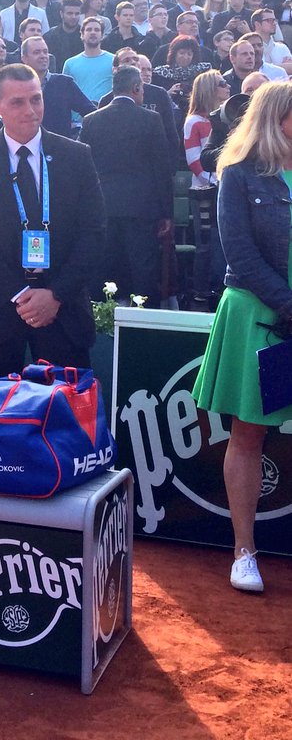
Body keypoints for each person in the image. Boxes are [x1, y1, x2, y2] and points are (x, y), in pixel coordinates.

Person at [192, 81, 292, 593]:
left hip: (274, 314)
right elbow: (239, 252)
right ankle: (244, 552)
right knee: (248, 433)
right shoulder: (238, 172)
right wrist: (288, 305)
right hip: (259, 316)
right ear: (278, 118)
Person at [0, 63, 106, 377]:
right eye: (18, 102)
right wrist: (19, 294)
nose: (30, 110)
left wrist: (55, 295)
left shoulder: (76, 156)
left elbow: (94, 232)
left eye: (36, 99)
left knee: (67, 404)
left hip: (63, 311)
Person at [79, 66, 173, 306]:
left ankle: (101, 320)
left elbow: (83, 168)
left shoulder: (91, 121)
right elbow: (162, 168)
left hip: (103, 206)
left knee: (103, 266)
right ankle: (144, 320)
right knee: (143, 268)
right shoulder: (151, 119)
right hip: (142, 209)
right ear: (136, 88)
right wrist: (166, 213)